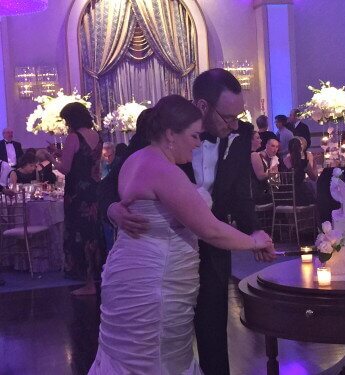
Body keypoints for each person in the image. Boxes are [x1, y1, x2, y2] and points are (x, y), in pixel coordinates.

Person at [88, 95, 275, 375]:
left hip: (127, 273)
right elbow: (209, 229)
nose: (198, 143)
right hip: (156, 281)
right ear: (170, 135)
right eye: (194, 136)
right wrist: (255, 241)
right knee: (160, 358)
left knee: (129, 353)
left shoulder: (136, 160)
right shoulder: (165, 171)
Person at [48, 102, 104, 296]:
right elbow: (86, 160)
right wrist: (61, 155)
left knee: (78, 235)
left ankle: (87, 284)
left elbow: (65, 169)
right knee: (92, 235)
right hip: (94, 191)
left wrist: (49, 157)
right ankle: (94, 280)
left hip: (77, 194)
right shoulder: (97, 136)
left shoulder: (73, 137)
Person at [283, 137, 317, 205]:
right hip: (300, 196)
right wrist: (314, 166)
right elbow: (314, 177)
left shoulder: (283, 161)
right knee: (316, 193)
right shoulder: (304, 163)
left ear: (289, 149)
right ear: (301, 148)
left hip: (285, 196)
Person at [251, 135, 279, 204]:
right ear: (267, 145)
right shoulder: (255, 155)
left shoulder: (276, 159)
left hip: (267, 188)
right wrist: (271, 172)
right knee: (279, 197)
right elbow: (260, 176)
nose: (275, 149)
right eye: (272, 146)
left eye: (277, 147)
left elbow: (276, 180)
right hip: (257, 190)